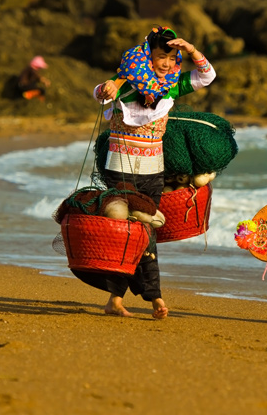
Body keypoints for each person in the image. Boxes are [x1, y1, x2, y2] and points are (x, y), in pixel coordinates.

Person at [81, 25, 216, 319]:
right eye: (160, 56)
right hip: (119, 166)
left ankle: (116, 299)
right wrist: (107, 86)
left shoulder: (171, 85)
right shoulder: (127, 82)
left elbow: (207, 75)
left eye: (172, 57)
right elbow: (101, 95)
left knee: (143, 230)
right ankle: (153, 295)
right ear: (148, 54)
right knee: (127, 229)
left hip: (154, 169)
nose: (166, 63)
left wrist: (191, 49)